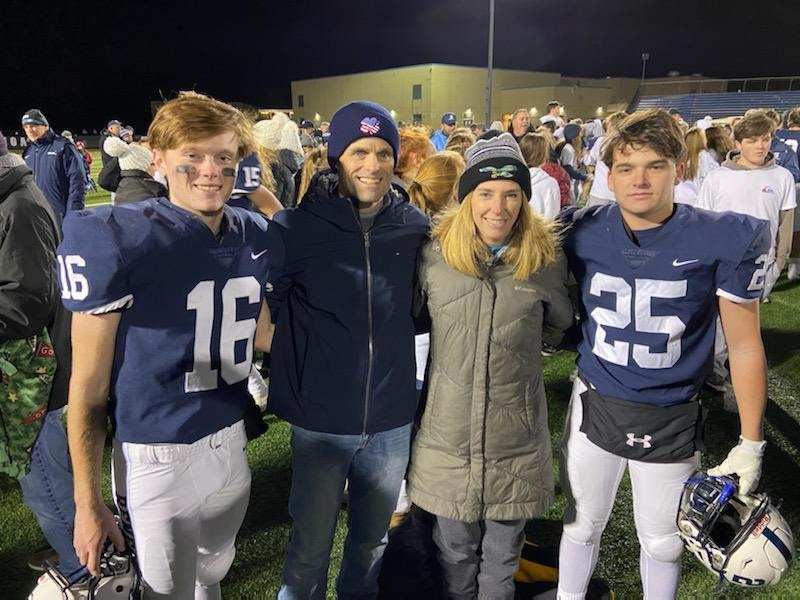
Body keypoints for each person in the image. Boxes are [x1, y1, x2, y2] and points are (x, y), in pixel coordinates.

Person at [61, 91, 284, 599]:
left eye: (223, 157)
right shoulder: (119, 237)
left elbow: (265, 332)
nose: (210, 171)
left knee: (212, 574)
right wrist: (86, 503)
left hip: (231, 437)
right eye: (193, 155)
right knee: (167, 592)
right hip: (156, 453)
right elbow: (88, 388)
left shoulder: (253, 231)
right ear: (158, 160)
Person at [557, 109, 772, 600]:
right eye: (626, 167)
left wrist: (751, 442)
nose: (640, 180)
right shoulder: (580, 229)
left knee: (663, 541)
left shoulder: (721, 237)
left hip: (670, 410)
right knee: (580, 523)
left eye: (655, 165)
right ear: (609, 175)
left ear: (679, 167)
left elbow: (744, 344)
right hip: (595, 397)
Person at [268, 100, 428, 599]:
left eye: (383, 153)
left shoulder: (414, 226)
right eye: (359, 151)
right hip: (321, 421)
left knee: (371, 544)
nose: (372, 165)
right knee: (309, 549)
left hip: (390, 418)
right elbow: (268, 313)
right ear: (337, 156)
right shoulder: (296, 228)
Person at [408, 133, 572, 599]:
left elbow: (559, 324)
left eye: (511, 194)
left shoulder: (546, 259)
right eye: (485, 193)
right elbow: (415, 315)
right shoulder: (434, 255)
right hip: (447, 436)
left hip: (515, 439)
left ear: (524, 198)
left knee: (503, 554)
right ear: (467, 198)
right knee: (455, 550)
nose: (498, 207)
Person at [0, 131, 88, 593]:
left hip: (34, 374)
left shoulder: (18, 206)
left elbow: (25, 302)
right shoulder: (11, 197)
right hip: (27, 368)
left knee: (47, 485)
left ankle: (84, 571)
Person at [698, 111, 796, 298]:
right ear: (738, 144)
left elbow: (785, 227)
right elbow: (703, 225)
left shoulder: (783, 177)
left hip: (762, 266)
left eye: (765, 140)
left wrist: (777, 266)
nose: (760, 146)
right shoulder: (716, 178)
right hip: (721, 265)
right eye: (752, 141)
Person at [21, 109, 86, 225]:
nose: (29, 130)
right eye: (26, 127)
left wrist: (73, 214)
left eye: (33, 126)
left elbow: (78, 182)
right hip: (37, 218)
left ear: (45, 126)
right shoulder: (28, 153)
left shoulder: (63, 147)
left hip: (61, 216)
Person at [102, 137, 168, 205]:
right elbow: (104, 181)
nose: (150, 153)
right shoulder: (149, 187)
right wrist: (125, 153)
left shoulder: (165, 167)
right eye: (146, 150)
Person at [583, 111, 628, 208]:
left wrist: (584, 153)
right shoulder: (630, 145)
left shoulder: (602, 142)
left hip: (600, 193)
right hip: (622, 194)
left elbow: (588, 161)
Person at [776, 106, 800, 280]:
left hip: (772, 183)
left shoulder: (776, 135)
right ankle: (794, 265)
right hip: (795, 184)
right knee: (795, 228)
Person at [519, 132, 561, 220]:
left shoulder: (512, 179)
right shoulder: (550, 184)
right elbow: (552, 218)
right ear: (544, 155)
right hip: (539, 227)